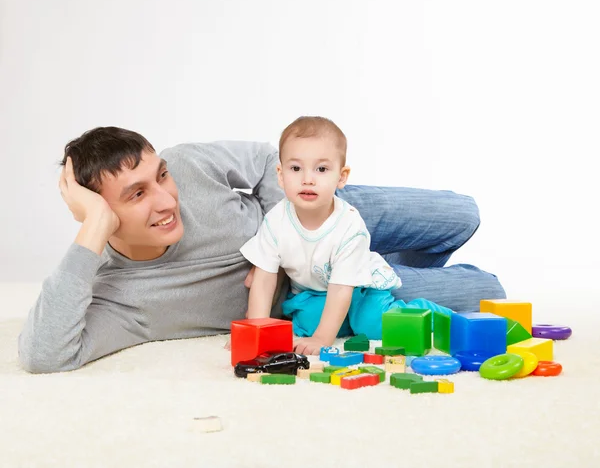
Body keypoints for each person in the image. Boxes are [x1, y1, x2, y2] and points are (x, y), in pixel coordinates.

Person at [18, 125, 505, 373]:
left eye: (160, 175)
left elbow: (269, 160)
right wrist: (93, 230)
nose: (168, 200)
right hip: (323, 294)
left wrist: (283, 232)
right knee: (486, 288)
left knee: (463, 215)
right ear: (97, 215)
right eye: (136, 195)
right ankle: (385, 273)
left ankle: (385, 261)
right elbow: (44, 355)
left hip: (326, 213)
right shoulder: (120, 299)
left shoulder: (190, 163)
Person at [240, 117, 454, 355]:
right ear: (280, 175)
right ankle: (340, 324)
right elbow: (264, 278)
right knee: (307, 323)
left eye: (321, 169)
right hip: (314, 293)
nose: (307, 179)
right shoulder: (276, 220)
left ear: (341, 177)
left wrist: (322, 338)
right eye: (295, 168)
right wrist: (256, 330)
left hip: (360, 289)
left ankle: (433, 314)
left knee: (373, 323)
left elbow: (342, 289)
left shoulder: (349, 225)